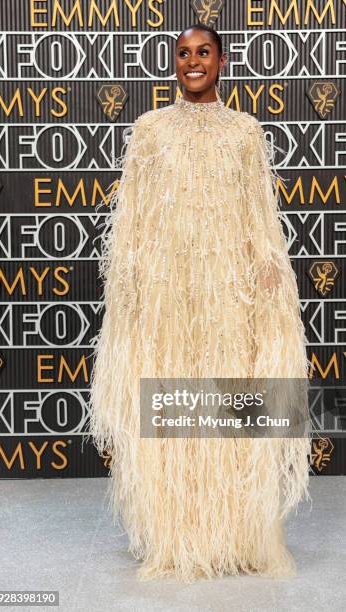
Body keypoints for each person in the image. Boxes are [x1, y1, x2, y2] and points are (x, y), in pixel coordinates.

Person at [87, 23, 312, 583]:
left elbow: (259, 209)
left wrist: (267, 273)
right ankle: (178, 535)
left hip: (226, 292)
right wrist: (131, 279)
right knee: (169, 404)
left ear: (222, 60)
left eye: (203, 52)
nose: (193, 62)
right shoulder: (150, 129)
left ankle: (231, 532)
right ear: (174, 64)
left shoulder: (244, 130)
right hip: (167, 293)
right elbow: (133, 213)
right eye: (184, 54)